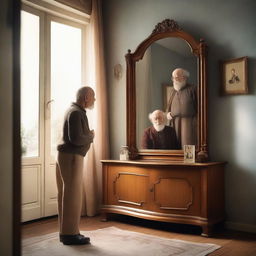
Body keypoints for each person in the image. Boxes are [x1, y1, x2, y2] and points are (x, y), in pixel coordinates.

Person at [56, 86, 95, 245]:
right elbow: (77, 139)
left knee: (65, 195)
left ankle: (65, 232)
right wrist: (91, 136)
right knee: (73, 195)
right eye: (93, 96)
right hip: (72, 157)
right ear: (86, 97)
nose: (94, 100)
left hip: (66, 155)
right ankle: (70, 235)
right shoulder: (76, 112)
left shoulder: (72, 110)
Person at [166, 68, 197, 148]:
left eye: (177, 77)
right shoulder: (172, 91)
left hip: (189, 126)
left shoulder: (193, 89)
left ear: (184, 78)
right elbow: (168, 108)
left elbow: (200, 109)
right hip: (174, 126)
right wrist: (168, 114)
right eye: (173, 77)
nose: (174, 80)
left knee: (188, 150)